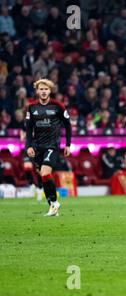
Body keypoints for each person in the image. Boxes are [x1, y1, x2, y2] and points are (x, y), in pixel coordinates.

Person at [25, 79, 72, 216]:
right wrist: (29, 146)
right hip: (37, 146)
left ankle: (55, 203)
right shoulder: (31, 107)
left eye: (46, 89)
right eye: (41, 89)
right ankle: (52, 205)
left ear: (50, 91)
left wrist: (68, 144)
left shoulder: (58, 106)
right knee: (43, 176)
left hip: (52, 145)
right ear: (37, 91)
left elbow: (68, 126)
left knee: (45, 172)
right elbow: (28, 130)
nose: (44, 91)